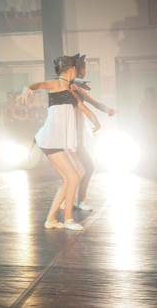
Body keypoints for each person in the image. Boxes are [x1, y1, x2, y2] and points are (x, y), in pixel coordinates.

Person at [21, 55, 100, 231]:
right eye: (76, 69)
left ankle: (51, 220)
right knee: (73, 177)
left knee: (67, 180)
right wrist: (27, 87)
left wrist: (97, 123)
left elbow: (85, 109)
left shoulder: (71, 91)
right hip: (49, 139)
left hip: (53, 141)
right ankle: (68, 219)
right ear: (71, 69)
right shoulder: (56, 84)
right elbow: (39, 85)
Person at [62, 55, 117, 211]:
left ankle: (71, 199)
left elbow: (94, 103)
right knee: (87, 167)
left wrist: (108, 110)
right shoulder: (69, 85)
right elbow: (67, 82)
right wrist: (78, 82)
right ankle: (77, 199)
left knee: (83, 168)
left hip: (76, 133)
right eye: (85, 68)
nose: (86, 71)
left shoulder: (77, 87)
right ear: (80, 69)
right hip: (69, 133)